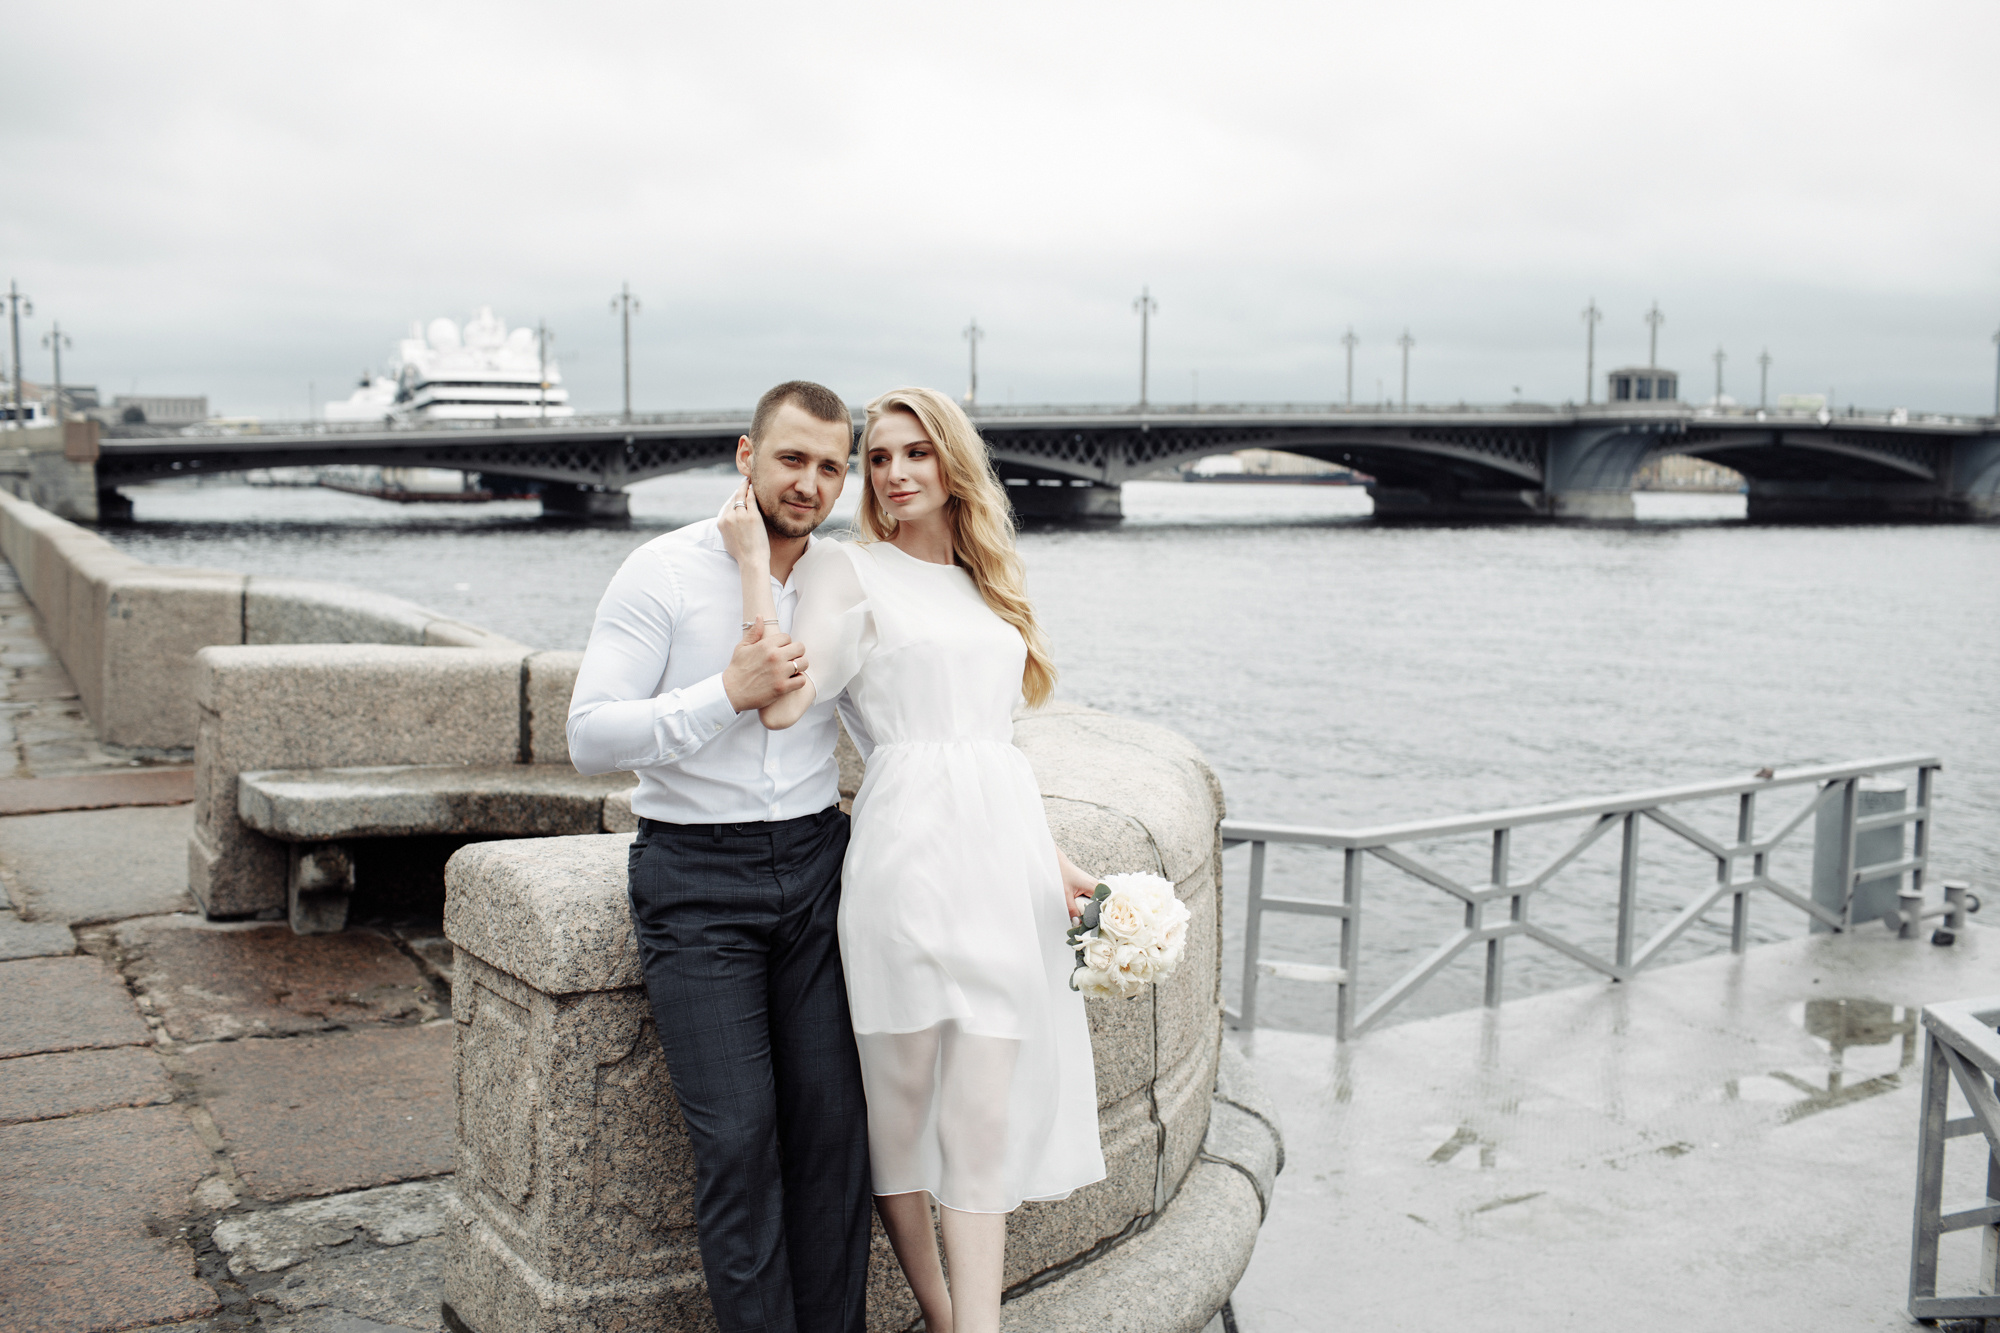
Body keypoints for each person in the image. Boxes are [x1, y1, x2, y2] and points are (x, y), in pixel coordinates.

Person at [717, 385, 1106, 1333]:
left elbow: (994, 745)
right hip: (909, 866)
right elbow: (782, 703)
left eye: (915, 452)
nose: (894, 473)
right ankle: (944, 1315)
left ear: (952, 463)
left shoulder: (987, 583)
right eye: (880, 456)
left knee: (981, 1116)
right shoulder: (850, 571)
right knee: (896, 1119)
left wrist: (1049, 858)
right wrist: (753, 568)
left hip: (1000, 866)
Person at [567, 380, 872, 1333]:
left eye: (831, 467)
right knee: (738, 1140)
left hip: (818, 868)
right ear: (747, 455)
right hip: (696, 882)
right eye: (792, 458)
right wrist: (722, 695)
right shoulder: (659, 571)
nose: (810, 483)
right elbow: (588, 735)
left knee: (835, 1133)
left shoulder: (842, 581)